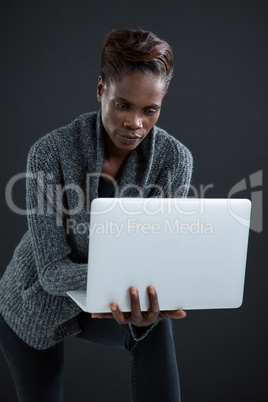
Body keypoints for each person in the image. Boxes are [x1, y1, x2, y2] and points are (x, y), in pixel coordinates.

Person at [0, 29, 193, 401]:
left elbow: (160, 258)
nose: (135, 122)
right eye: (123, 104)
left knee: (153, 325)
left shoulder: (175, 160)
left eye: (149, 110)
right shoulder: (50, 153)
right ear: (101, 88)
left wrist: (148, 298)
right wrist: (127, 278)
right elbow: (53, 272)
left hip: (107, 300)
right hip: (34, 302)